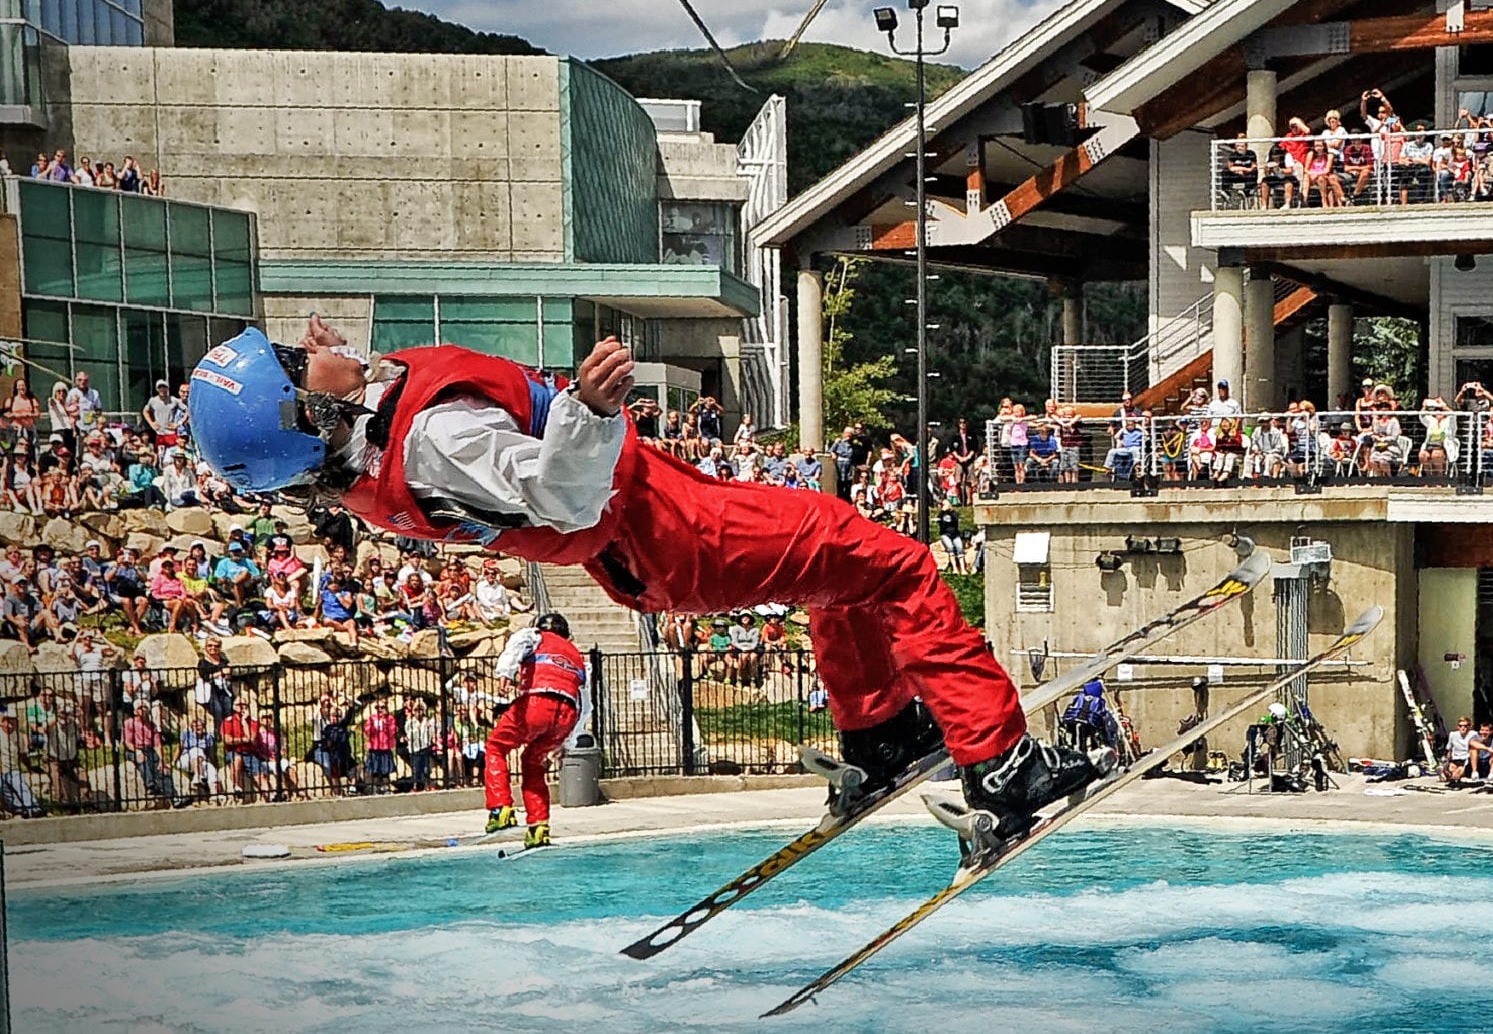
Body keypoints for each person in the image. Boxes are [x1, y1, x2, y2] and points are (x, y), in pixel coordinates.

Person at [188, 320, 1098, 849]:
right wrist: (586, 406)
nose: (309, 342)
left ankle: (883, 733)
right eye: (296, 361)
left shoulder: (362, 444)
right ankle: (1003, 765)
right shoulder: (436, 441)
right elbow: (557, 491)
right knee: (897, 565)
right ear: (309, 410)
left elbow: (379, 402)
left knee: (843, 574)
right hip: (666, 532)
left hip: (655, 522)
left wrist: (339, 357)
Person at [482, 610, 586, 847]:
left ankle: (500, 809)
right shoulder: (576, 656)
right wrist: (568, 741)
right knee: (532, 762)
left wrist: (504, 674)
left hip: (537, 703)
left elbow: (517, 645)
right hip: (566, 716)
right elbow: (585, 703)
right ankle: (539, 826)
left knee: (496, 747)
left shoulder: (535, 635)